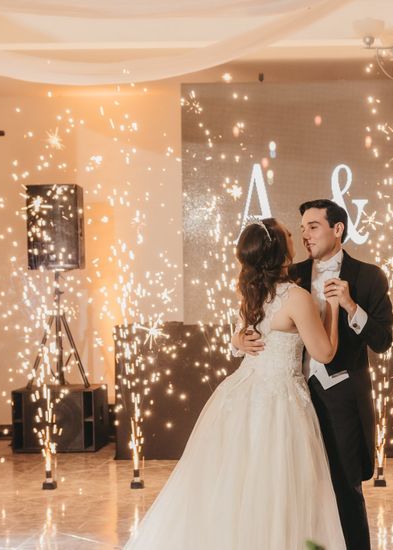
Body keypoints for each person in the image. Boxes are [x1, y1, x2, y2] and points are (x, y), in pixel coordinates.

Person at [124, 218, 346, 550]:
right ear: (279, 251)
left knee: (235, 487)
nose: (295, 236)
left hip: (242, 395)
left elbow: (244, 335)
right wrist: (333, 308)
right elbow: (325, 353)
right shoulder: (297, 297)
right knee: (279, 489)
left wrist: (238, 340)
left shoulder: (251, 291)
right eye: (289, 234)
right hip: (280, 402)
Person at [234, 199, 393, 550]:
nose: (305, 235)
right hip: (292, 399)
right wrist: (239, 338)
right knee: (291, 488)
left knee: (344, 487)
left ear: (337, 229)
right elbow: (259, 316)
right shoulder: (291, 275)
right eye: (301, 227)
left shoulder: (369, 276)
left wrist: (351, 307)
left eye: (313, 226)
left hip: (340, 400)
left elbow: (383, 340)